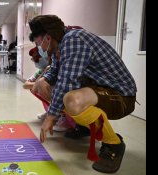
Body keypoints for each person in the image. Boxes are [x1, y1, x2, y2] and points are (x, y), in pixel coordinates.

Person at [28, 15, 137, 173]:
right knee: (44, 87)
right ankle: (85, 126)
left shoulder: (74, 40)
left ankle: (113, 143)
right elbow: (55, 70)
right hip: (100, 90)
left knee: (71, 99)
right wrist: (43, 79)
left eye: (39, 44)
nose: (41, 50)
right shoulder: (63, 43)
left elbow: (67, 82)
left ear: (48, 38)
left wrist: (51, 116)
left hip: (121, 96)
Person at [23, 47, 75, 132]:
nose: (36, 62)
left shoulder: (58, 68)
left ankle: (62, 116)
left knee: (51, 90)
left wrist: (38, 84)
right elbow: (26, 85)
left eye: (37, 59)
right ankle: (52, 112)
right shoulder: (41, 71)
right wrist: (41, 78)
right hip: (52, 90)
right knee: (40, 88)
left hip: (66, 96)